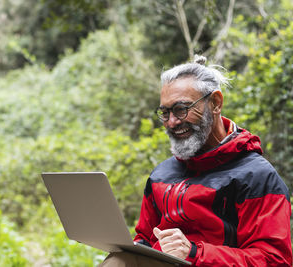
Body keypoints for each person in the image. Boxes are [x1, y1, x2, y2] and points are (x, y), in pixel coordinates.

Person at [99, 56, 292, 266]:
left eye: (181, 109)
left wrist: (194, 253)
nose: (172, 122)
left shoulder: (256, 176)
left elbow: (275, 260)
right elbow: (144, 239)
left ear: (216, 103)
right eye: (165, 113)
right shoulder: (161, 174)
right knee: (118, 260)